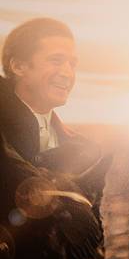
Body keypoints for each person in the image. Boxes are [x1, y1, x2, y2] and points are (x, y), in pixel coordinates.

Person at [0, 17, 99, 173]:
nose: (68, 73)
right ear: (18, 66)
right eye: (56, 61)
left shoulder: (84, 152)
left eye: (72, 64)